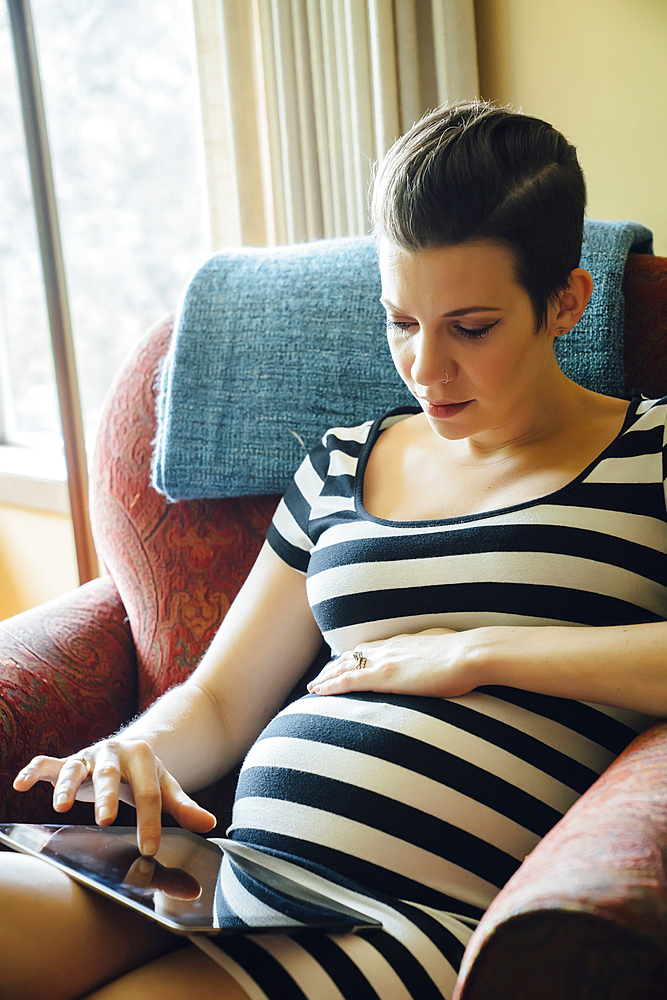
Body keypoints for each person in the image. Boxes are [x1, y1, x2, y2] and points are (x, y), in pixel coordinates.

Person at [2, 99, 665, 1000]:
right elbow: (220, 699)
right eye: (401, 322)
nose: (426, 368)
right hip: (233, 876)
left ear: (565, 303)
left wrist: (477, 651)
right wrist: (138, 750)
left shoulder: (652, 454)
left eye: (470, 328)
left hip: (410, 917)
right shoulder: (341, 462)